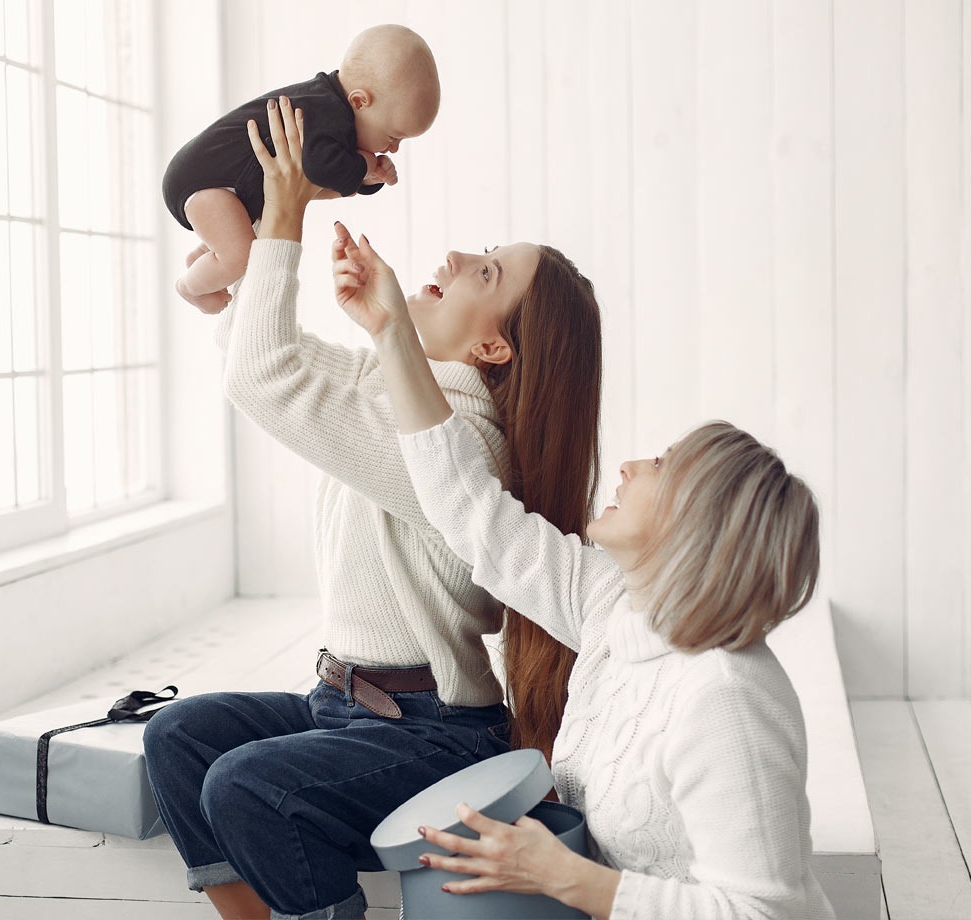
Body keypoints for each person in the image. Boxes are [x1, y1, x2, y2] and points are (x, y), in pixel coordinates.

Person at [144, 96, 602, 920]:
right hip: (342, 705)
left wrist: (284, 220)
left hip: (429, 732)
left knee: (245, 784)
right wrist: (238, 281)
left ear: (492, 346)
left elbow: (266, 380)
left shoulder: (461, 440)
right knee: (177, 736)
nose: (456, 255)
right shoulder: (395, 393)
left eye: (486, 272)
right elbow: (277, 361)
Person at [330, 232, 836, 918]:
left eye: (662, 466)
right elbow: (468, 511)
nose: (630, 466)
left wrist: (564, 877)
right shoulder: (610, 607)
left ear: (702, 521)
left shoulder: (726, 700)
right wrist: (392, 331)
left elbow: (766, 914)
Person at [163, 24, 437, 315]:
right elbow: (321, 169)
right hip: (203, 181)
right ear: (359, 101)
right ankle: (189, 287)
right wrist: (366, 165)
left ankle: (203, 257)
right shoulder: (327, 114)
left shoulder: (332, 111)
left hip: (224, 185)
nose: (393, 148)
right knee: (240, 255)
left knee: (238, 239)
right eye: (393, 136)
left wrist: (368, 178)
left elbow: (325, 178)